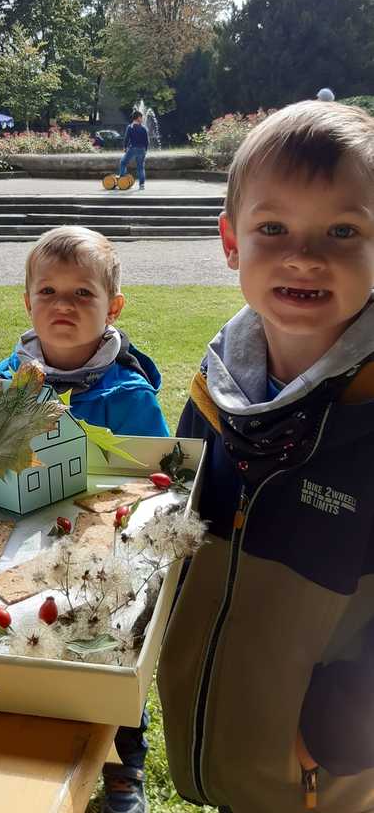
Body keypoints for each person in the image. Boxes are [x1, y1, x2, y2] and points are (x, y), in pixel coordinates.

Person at [158, 99, 374, 813]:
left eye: (342, 230)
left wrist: (334, 733)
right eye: (272, 228)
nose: (304, 256)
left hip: (322, 782)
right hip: (231, 743)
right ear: (231, 241)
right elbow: (175, 518)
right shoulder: (217, 385)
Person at [0, 224, 169, 813]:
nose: (62, 304)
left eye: (82, 293)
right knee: (30, 633)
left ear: (112, 307)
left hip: (105, 548)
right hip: (25, 536)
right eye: (49, 291)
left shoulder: (130, 394)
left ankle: (124, 762)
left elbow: (156, 479)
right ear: (27, 302)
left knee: (113, 646)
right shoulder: (7, 380)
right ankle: (39, 731)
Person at [119, 111, 149, 190]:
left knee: (123, 162)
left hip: (133, 148)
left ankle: (122, 180)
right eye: (141, 117)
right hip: (142, 149)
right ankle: (141, 185)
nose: (142, 119)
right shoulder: (143, 128)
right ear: (138, 118)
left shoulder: (130, 127)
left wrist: (125, 147)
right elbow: (146, 141)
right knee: (140, 167)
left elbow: (126, 138)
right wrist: (145, 150)